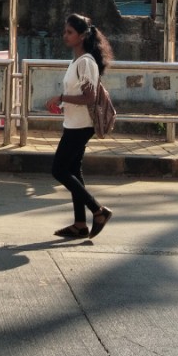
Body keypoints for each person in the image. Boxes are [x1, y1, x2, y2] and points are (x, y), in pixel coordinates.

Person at [44, 13, 114, 239]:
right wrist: (63, 103)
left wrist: (61, 98)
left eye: (70, 32)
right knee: (73, 171)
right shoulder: (76, 61)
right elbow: (79, 95)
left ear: (82, 35)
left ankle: (98, 210)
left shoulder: (85, 62)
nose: (65, 36)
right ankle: (80, 224)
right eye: (65, 31)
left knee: (59, 170)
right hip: (73, 122)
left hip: (81, 126)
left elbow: (90, 98)